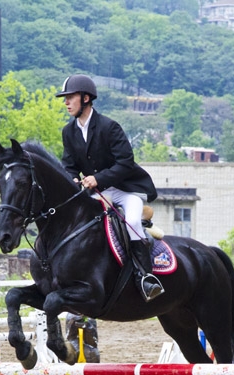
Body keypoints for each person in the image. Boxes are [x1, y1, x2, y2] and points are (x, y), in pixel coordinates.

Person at [56, 74, 164, 302]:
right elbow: (69, 165)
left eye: (70, 97)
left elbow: (125, 162)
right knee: (82, 224)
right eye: (64, 99)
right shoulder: (69, 132)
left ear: (85, 98)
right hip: (99, 193)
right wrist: (73, 179)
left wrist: (98, 178)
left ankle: (145, 278)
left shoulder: (109, 127)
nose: (66, 102)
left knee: (132, 222)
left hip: (125, 190)